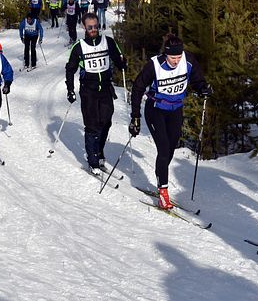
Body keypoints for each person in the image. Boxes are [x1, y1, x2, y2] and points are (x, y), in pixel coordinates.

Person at [128, 34, 211, 209]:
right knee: (164, 149)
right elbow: (137, 87)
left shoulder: (187, 61)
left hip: (175, 111)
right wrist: (135, 116)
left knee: (170, 150)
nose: (176, 61)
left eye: (178, 57)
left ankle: (161, 178)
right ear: (166, 54)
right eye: (173, 57)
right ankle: (163, 192)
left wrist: (203, 88)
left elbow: (197, 80)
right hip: (155, 110)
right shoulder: (154, 65)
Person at [65, 12, 127, 175]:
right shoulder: (79, 47)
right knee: (92, 126)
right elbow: (70, 69)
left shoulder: (108, 42)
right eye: (90, 27)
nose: (93, 29)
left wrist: (122, 64)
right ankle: (92, 160)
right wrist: (70, 89)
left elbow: (117, 58)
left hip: (106, 88)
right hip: (88, 91)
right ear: (84, 27)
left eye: (96, 26)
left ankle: (99, 151)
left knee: (106, 122)